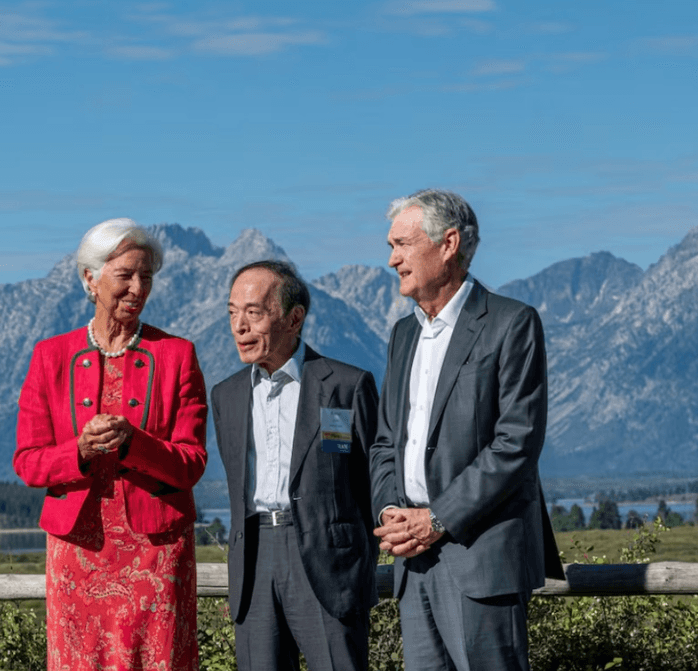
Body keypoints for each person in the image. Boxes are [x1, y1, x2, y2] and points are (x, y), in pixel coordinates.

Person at [370, 190, 565, 671]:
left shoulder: (511, 323)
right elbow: (385, 442)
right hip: (413, 562)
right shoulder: (403, 334)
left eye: (401, 244)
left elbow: (515, 443)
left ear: (448, 243)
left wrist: (436, 520)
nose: (392, 258)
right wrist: (392, 509)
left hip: (481, 560)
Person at [13, 218, 208, 671]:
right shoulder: (50, 356)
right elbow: (28, 463)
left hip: (156, 552)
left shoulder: (177, 355)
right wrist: (79, 450)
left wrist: (133, 444)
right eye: (126, 275)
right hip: (77, 552)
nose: (138, 287)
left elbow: (192, 462)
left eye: (147, 277)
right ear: (91, 278)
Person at [211, 260, 379, 671]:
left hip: (329, 560)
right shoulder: (226, 395)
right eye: (232, 313)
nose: (240, 326)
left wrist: (360, 565)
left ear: (294, 318)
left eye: (254, 312)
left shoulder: (344, 384)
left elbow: (372, 480)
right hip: (253, 559)